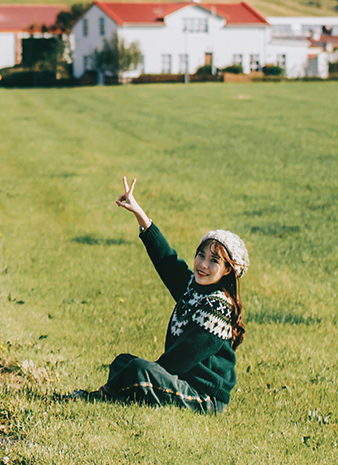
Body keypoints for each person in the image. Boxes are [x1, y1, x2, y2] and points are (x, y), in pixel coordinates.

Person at [92, 176, 248, 413]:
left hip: (204, 397)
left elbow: (183, 357)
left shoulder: (218, 308)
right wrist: (140, 214)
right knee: (123, 362)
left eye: (214, 261)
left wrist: (151, 374)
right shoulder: (193, 288)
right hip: (182, 381)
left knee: (136, 370)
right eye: (201, 255)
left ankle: (101, 396)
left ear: (228, 270)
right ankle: (128, 389)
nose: (203, 264)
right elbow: (167, 261)